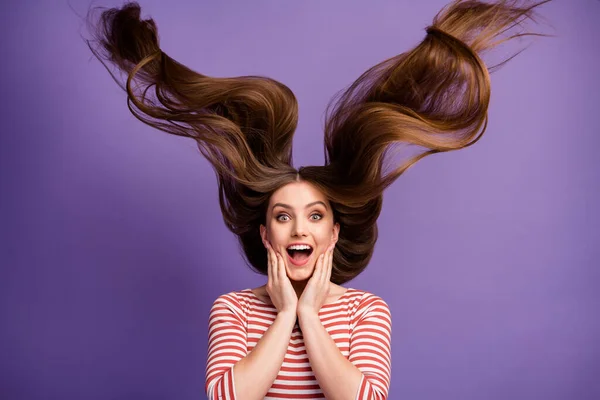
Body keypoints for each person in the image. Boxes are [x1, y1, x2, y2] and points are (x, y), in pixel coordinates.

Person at [84, 0, 550, 398]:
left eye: (315, 215)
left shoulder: (366, 311)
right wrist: (285, 312)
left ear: (334, 231)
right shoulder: (233, 309)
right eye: (283, 217)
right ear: (265, 233)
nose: (299, 229)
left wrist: (309, 312)